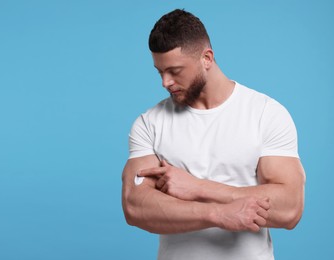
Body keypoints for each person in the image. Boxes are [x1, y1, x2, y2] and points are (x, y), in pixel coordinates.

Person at [121, 9, 305, 260]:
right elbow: (135, 206)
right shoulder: (149, 123)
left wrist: (199, 188)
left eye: (174, 71)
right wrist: (217, 215)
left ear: (206, 58)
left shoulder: (266, 113)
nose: (165, 82)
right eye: (159, 71)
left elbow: (290, 208)